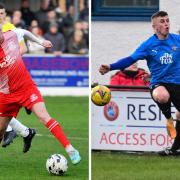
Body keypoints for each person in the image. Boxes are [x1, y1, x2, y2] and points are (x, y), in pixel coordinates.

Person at [0, 4, 81, 165]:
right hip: (6, 94)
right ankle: (25, 132)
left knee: (44, 117)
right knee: (1, 130)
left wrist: (41, 41)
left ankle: (71, 149)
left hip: (26, 87)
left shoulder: (11, 33)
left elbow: (26, 32)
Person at [99, 11, 180, 155]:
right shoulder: (148, 45)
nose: (166, 24)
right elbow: (130, 60)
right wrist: (111, 66)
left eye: (167, 20)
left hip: (177, 84)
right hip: (159, 83)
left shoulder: (177, 40)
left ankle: (175, 149)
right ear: (154, 26)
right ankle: (168, 119)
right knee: (161, 95)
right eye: (162, 21)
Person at [0, 5, 36, 152]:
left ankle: (14, 130)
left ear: (5, 14)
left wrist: (8, 59)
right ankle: (25, 132)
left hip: (10, 75)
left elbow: (24, 48)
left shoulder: (9, 27)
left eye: (1, 12)